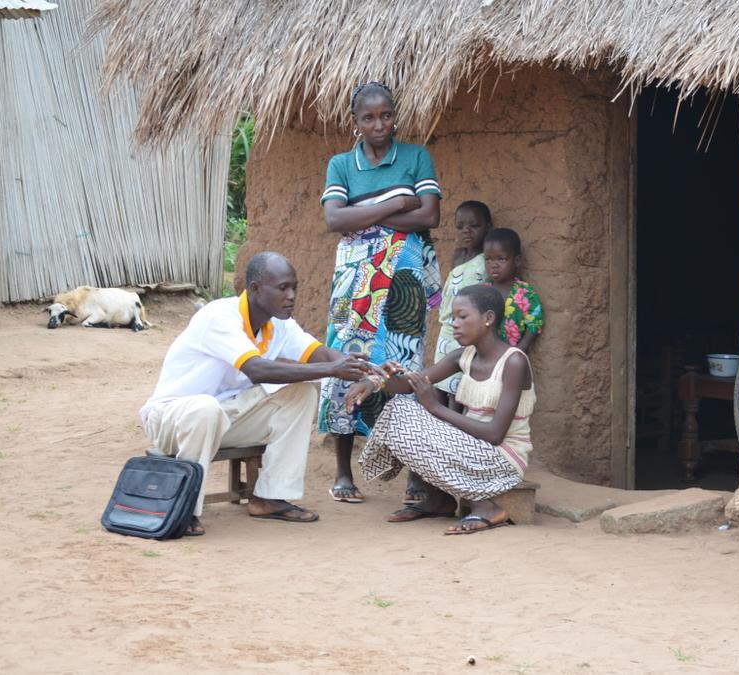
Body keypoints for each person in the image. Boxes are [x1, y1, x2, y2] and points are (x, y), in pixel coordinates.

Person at [139, 252, 374, 536]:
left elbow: (320, 354)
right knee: (204, 408)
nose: (291, 296)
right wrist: (333, 369)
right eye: (283, 287)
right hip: (171, 419)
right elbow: (257, 370)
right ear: (255, 289)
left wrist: (371, 369)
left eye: (294, 288)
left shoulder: (280, 324)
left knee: (301, 393)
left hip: (222, 416)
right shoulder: (219, 316)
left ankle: (269, 497)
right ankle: (185, 508)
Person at [318, 81, 442, 505]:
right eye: (369, 117)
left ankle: (414, 473)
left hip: (407, 277)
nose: (379, 124)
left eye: (386, 115)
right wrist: (396, 204)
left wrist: (364, 215)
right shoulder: (341, 164)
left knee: (405, 363)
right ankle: (342, 472)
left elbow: (431, 214)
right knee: (348, 360)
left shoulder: (415, 156)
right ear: (355, 122)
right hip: (355, 281)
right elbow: (335, 220)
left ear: (395, 115)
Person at [354, 284, 536, 534]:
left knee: (408, 418)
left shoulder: (514, 362)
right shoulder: (463, 356)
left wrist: (435, 407)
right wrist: (377, 380)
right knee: (399, 409)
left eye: (463, 316)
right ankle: (439, 500)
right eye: (453, 317)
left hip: (502, 460)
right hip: (470, 449)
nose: (455, 324)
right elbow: (410, 385)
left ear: (488, 318)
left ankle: (486, 507)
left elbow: (495, 434)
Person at [433, 200, 493, 400]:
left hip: (469, 330)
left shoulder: (488, 260)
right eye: (460, 227)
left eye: (474, 226)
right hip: (447, 329)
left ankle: (454, 428)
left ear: (488, 228)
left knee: (457, 384)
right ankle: (436, 428)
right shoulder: (458, 256)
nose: (466, 231)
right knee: (439, 380)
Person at [483, 228, 544, 353]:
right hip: (483, 355)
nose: (494, 265)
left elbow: (535, 324)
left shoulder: (525, 293)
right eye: (488, 259)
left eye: (501, 259)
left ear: (517, 261)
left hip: (512, 355)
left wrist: (519, 350)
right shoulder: (482, 290)